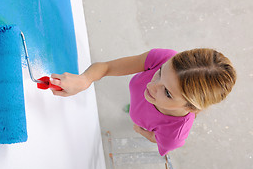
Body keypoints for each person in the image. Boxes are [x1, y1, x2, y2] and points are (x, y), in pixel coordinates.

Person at [49, 48, 237, 156]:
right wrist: (85, 79)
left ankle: (134, 112)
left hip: (144, 122)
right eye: (160, 73)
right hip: (139, 110)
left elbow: (157, 139)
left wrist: (141, 130)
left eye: (168, 93)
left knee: (135, 113)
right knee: (136, 107)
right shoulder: (163, 57)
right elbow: (106, 67)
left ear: (191, 108)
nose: (151, 85)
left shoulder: (174, 135)